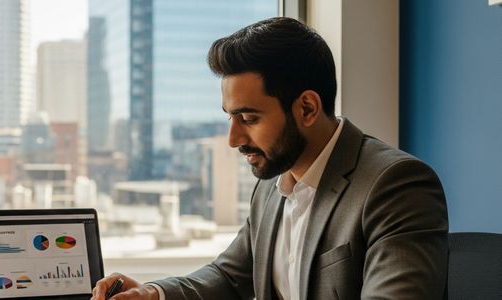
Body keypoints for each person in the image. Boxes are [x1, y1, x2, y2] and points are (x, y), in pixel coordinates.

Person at [92, 17, 448, 300]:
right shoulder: (273, 184)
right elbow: (231, 277)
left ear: (307, 108)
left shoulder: (396, 185)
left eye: (249, 119)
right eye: (229, 118)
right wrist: (154, 294)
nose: (234, 139)